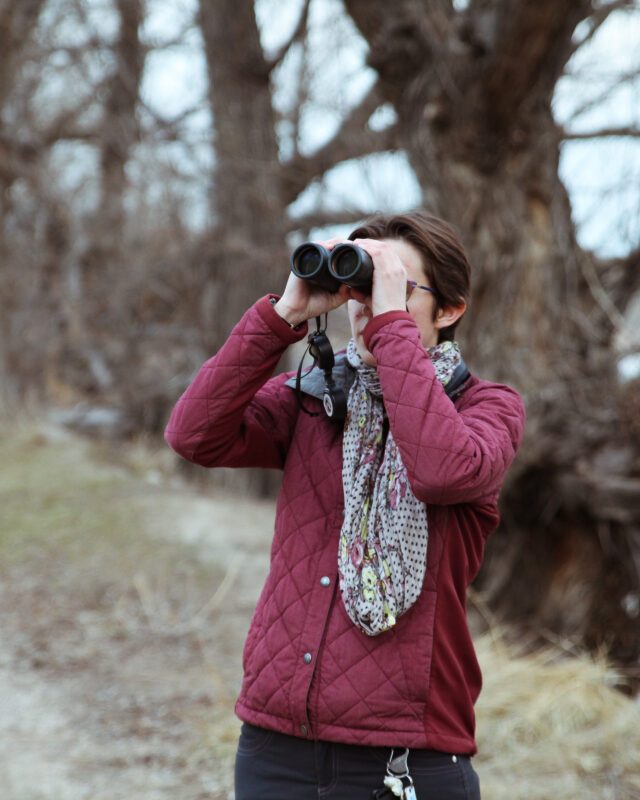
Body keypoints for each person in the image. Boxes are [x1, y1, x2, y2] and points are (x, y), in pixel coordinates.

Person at [164, 211, 525, 800]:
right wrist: (281, 317)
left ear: (451, 308)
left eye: (396, 289)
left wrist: (389, 328)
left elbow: (440, 470)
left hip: (407, 754)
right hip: (276, 743)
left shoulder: (487, 410)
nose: (367, 307)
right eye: (362, 289)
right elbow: (194, 435)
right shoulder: (315, 396)